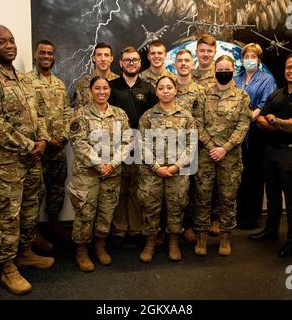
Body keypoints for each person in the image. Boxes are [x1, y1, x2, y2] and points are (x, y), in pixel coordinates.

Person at [0, 25, 54, 295]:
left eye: (12, 40)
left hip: (31, 160)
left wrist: (42, 139)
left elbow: (38, 113)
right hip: (4, 166)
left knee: (30, 208)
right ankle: (6, 267)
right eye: (1, 42)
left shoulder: (24, 79)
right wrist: (29, 145)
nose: (9, 46)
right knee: (5, 216)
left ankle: (26, 252)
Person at [249, 54, 292, 258]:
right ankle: (271, 231)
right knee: (272, 195)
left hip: (291, 152)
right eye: (289, 67)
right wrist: (279, 123)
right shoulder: (277, 93)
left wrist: (273, 120)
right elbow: (260, 119)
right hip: (270, 151)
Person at [68, 76, 132, 271]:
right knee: (85, 213)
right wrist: (99, 164)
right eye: (97, 88)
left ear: (110, 91)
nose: (102, 92)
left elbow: (128, 140)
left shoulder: (120, 115)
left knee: (106, 212)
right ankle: (82, 251)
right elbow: (79, 143)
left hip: (112, 173)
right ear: (90, 90)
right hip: (87, 175)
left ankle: (100, 245)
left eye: (105, 88)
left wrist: (111, 164)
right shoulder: (80, 115)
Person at [194, 55, 252, 256]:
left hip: (231, 156)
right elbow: (197, 123)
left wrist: (224, 148)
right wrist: (211, 146)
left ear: (233, 70)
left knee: (228, 198)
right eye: (220, 68)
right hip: (206, 154)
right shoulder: (203, 95)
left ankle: (225, 238)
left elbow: (243, 125)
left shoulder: (242, 97)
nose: (224, 71)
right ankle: (201, 236)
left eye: (227, 68)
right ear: (214, 70)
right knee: (202, 196)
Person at [138, 76, 196, 262]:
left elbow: (191, 144)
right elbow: (142, 145)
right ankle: (150, 243)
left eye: (169, 87)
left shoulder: (186, 116)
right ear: (156, 92)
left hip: (177, 171)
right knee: (150, 207)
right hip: (152, 171)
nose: (165, 91)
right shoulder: (147, 116)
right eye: (161, 88)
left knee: (176, 206)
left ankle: (173, 242)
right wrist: (156, 167)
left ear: (175, 90)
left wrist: (176, 166)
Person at [108, 47, 158, 246]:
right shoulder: (111, 87)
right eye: (127, 60)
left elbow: (154, 118)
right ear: (120, 63)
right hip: (117, 147)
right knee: (119, 188)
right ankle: (119, 229)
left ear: (140, 63)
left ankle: (137, 228)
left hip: (141, 147)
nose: (131, 63)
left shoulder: (148, 88)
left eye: (135, 60)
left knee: (137, 189)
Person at [26, 40, 72, 252]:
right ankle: (32, 233)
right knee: (35, 190)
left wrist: (62, 136)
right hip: (37, 147)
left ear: (54, 57)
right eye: (42, 52)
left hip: (58, 147)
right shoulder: (25, 82)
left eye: (50, 53)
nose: (46, 56)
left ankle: (53, 224)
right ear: (36, 55)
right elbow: (31, 115)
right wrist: (47, 139)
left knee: (56, 187)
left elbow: (66, 113)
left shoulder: (59, 84)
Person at [234, 43, 277, 230]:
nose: (249, 59)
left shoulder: (266, 79)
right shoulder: (237, 78)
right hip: (236, 133)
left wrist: (251, 116)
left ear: (259, 59)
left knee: (254, 174)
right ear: (242, 59)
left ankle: (251, 216)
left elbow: (266, 102)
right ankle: (236, 214)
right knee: (238, 175)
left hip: (255, 132)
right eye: (246, 56)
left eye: (253, 56)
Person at [173, 48, 207, 243]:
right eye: (180, 61)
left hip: (196, 148)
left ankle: (188, 225)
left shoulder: (201, 92)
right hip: (172, 150)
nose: (184, 64)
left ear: (192, 64)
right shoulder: (168, 87)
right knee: (174, 191)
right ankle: (169, 228)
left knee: (193, 189)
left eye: (187, 61)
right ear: (175, 65)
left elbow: (204, 120)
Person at [192, 34, 221, 237]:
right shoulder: (187, 74)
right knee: (193, 184)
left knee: (217, 184)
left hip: (213, 140)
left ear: (214, 52)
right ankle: (193, 222)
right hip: (191, 139)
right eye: (202, 50)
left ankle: (216, 219)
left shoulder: (221, 75)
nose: (205, 54)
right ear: (197, 51)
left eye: (209, 51)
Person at [73, 42, 119, 111]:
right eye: (99, 55)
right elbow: (78, 112)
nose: (103, 59)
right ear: (93, 58)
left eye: (106, 55)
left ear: (111, 59)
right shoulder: (83, 83)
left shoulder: (119, 82)